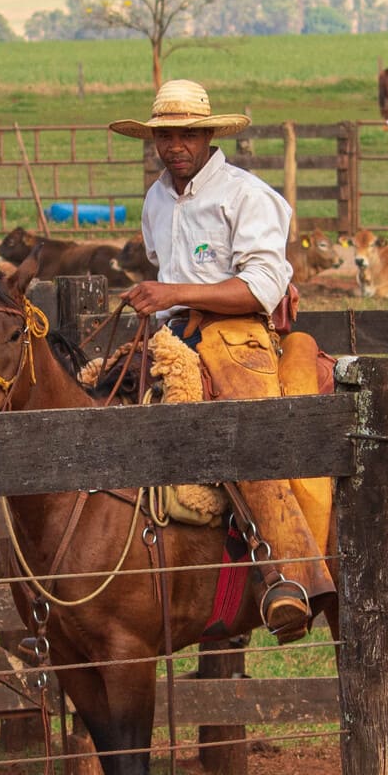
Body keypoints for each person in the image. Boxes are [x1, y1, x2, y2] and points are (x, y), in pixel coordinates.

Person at [112, 80, 334, 643]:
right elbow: (164, 268)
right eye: (166, 135)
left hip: (238, 337)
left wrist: (173, 293)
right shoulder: (156, 199)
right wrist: (163, 305)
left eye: (187, 133)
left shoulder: (246, 196)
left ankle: (291, 574)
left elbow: (261, 288)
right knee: (103, 391)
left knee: (248, 430)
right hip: (173, 336)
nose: (175, 145)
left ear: (209, 134)